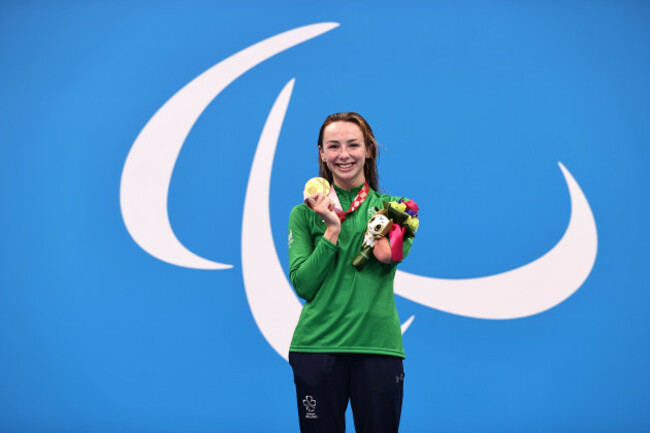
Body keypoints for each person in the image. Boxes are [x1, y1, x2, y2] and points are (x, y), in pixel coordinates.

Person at [287, 112, 416, 433]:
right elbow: (304, 284)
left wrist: (378, 223)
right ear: (322, 153)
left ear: (369, 149)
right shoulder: (304, 215)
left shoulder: (397, 210)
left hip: (376, 348)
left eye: (353, 145)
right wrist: (331, 229)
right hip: (317, 348)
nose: (343, 154)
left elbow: (387, 256)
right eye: (333, 146)